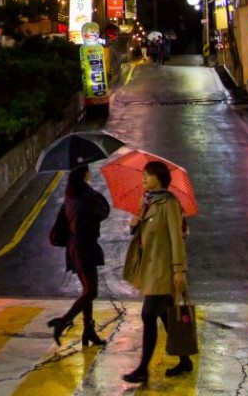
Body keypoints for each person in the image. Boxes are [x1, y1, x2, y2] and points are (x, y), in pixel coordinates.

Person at [122, 160, 191, 384]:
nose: (143, 179)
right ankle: (185, 360)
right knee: (164, 314)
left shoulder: (169, 204)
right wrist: (135, 221)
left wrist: (179, 270)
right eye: (143, 175)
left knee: (148, 314)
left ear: (158, 178)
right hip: (150, 268)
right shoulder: (147, 202)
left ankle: (143, 368)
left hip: (163, 269)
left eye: (147, 175)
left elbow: (177, 239)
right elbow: (140, 233)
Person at [49, 164, 111, 347]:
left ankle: (88, 331)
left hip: (74, 248)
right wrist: (90, 188)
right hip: (86, 248)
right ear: (84, 174)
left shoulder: (70, 195)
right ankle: (63, 321)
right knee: (91, 292)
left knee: (87, 291)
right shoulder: (86, 195)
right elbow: (104, 210)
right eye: (88, 171)